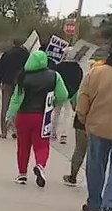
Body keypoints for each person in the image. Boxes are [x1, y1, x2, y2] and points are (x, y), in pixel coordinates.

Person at [5, 49, 69, 187]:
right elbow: (63, 95)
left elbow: (16, 99)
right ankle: (40, 165)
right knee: (42, 145)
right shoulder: (54, 76)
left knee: (23, 146)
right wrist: (54, 102)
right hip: (42, 116)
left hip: (23, 116)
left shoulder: (23, 76)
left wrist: (10, 115)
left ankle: (22, 174)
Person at [77, 43, 112, 211]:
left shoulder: (96, 73)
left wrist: (82, 115)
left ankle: (94, 203)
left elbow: (84, 96)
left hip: (97, 126)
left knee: (96, 165)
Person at [0, 38, 30, 139]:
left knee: (5, 108)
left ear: (12, 43)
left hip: (7, 83)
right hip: (20, 83)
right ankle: (16, 130)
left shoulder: (7, 54)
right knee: (19, 107)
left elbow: (0, 69)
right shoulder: (26, 54)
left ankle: (4, 131)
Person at [51, 54, 85, 144]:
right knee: (68, 114)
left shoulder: (59, 67)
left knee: (56, 112)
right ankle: (64, 135)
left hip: (59, 92)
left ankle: (53, 132)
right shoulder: (78, 69)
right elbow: (78, 83)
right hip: (71, 94)